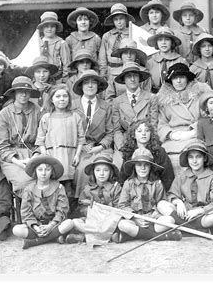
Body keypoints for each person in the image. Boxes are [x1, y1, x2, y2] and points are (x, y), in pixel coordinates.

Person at [36, 84, 85, 216]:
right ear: (52, 99)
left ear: (69, 99)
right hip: (54, 156)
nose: (61, 99)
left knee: (69, 188)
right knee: (55, 187)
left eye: (65, 96)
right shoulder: (47, 118)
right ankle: (54, 215)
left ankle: (70, 216)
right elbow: (40, 140)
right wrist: (45, 154)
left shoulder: (75, 116)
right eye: (58, 96)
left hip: (70, 155)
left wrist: (78, 155)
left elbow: (81, 138)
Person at [115, 148, 182, 243]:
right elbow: (122, 205)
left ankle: (136, 235)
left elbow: (161, 202)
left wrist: (154, 215)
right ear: (134, 167)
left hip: (153, 220)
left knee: (169, 220)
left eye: (146, 165)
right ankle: (161, 237)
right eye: (139, 165)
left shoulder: (157, 183)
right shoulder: (128, 183)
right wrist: (135, 218)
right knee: (122, 224)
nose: (143, 168)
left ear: (151, 167)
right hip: (136, 220)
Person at [156, 63, 210, 174]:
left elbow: (207, 116)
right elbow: (162, 124)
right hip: (173, 138)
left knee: (193, 155)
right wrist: (172, 134)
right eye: (175, 78)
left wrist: (193, 131)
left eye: (182, 77)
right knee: (165, 158)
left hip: (194, 135)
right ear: (171, 81)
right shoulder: (164, 101)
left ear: (187, 79)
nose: (179, 81)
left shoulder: (200, 96)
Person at [157, 140, 213, 231]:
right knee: (161, 204)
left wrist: (200, 210)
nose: (194, 161)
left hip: (201, 216)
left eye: (198, 157)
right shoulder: (182, 176)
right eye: (191, 157)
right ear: (187, 159)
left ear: (204, 158)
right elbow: (172, 194)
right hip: (183, 214)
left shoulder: (212, 178)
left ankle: (183, 228)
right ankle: (192, 229)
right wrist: (178, 202)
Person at [12, 155, 74, 249]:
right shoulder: (29, 189)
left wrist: (50, 226)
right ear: (35, 171)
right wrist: (36, 227)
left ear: (52, 171)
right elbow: (26, 212)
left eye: (47, 170)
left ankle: (35, 242)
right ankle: (54, 237)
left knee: (69, 223)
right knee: (16, 230)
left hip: (54, 224)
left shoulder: (59, 187)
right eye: (40, 170)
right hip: (36, 226)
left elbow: (62, 209)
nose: (44, 173)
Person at [71, 70, 114, 199]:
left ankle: (105, 200)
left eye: (93, 83)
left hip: (100, 148)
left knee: (104, 166)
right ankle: (81, 201)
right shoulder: (72, 106)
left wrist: (100, 147)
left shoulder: (106, 106)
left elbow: (110, 132)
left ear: (98, 86)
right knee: (81, 169)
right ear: (81, 86)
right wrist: (81, 145)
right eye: (86, 83)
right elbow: (69, 131)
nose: (90, 86)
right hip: (79, 148)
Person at [0, 76, 41, 197]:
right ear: (14, 93)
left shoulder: (37, 111)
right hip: (12, 157)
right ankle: (26, 214)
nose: (24, 94)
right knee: (24, 182)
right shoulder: (4, 114)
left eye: (27, 91)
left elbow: (43, 138)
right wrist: (17, 162)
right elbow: (1, 147)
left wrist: (35, 156)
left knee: (46, 178)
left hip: (34, 153)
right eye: (20, 91)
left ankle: (44, 214)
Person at [69, 152, 122, 244]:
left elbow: (119, 207)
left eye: (105, 170)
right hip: (93, 220)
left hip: (109, 220)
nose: (101, 173)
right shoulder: (87, 189)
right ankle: (108, 238)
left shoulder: (116, 188)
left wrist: (105, 211)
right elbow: (82, 208)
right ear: (93, 172)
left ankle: (83, 238)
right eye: (98, 170)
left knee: (120, 224)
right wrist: (91, 210)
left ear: (111, 172)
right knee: (76, 222)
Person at [112, 62, 158, 168]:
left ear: (140, 78)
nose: (132, 79)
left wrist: (147, 144)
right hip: (125, 143)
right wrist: (122, 146)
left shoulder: (151, 98)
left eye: (135, 75)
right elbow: (117, 130)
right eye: (128, 76)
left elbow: (153, 125)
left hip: (146, 140)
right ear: (124, 80)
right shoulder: (117, 102)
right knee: (119, 165)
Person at [119, 119, 175, 191]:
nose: (143, 133)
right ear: (133, 135)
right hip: (134, 191)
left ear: (151, 134)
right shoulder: (129, 152)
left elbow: (168, 176)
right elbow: (123, 176)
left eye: (147, 130)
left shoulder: (159, 152)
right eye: (139, 131)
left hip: (155, 190)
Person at [146, 27, 188, 93]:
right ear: (156, 43)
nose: (163, 42)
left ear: (172, 42)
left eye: (167, 39)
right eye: (160, 40)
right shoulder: (150, 62)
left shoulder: (181, 61)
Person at [99, 3, 135, 80]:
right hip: (110, 70)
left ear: (126, 19)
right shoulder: (107, 36)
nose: (119, 22)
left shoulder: (132, 34)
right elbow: (102, 57)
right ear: (113, 21)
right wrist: (103, 73)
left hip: (126, 69)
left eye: (121, 18)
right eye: (116, 19)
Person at [37, 11, 71, 82]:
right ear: (42, 28)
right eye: (46, 26)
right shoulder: (37, 43)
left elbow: (66, 64)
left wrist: (64, 80)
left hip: (57, 80)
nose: (49, 29)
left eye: (52, 26)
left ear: (56, 28)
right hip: (40, 79)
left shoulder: (61, 43)